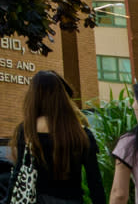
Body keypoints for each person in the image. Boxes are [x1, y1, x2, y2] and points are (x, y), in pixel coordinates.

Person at [11, 70, 106, 203]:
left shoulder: (28, 130)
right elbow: (94, 181)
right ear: (62, 97)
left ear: (34, 97)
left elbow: (18, 173)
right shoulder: (81, 133)